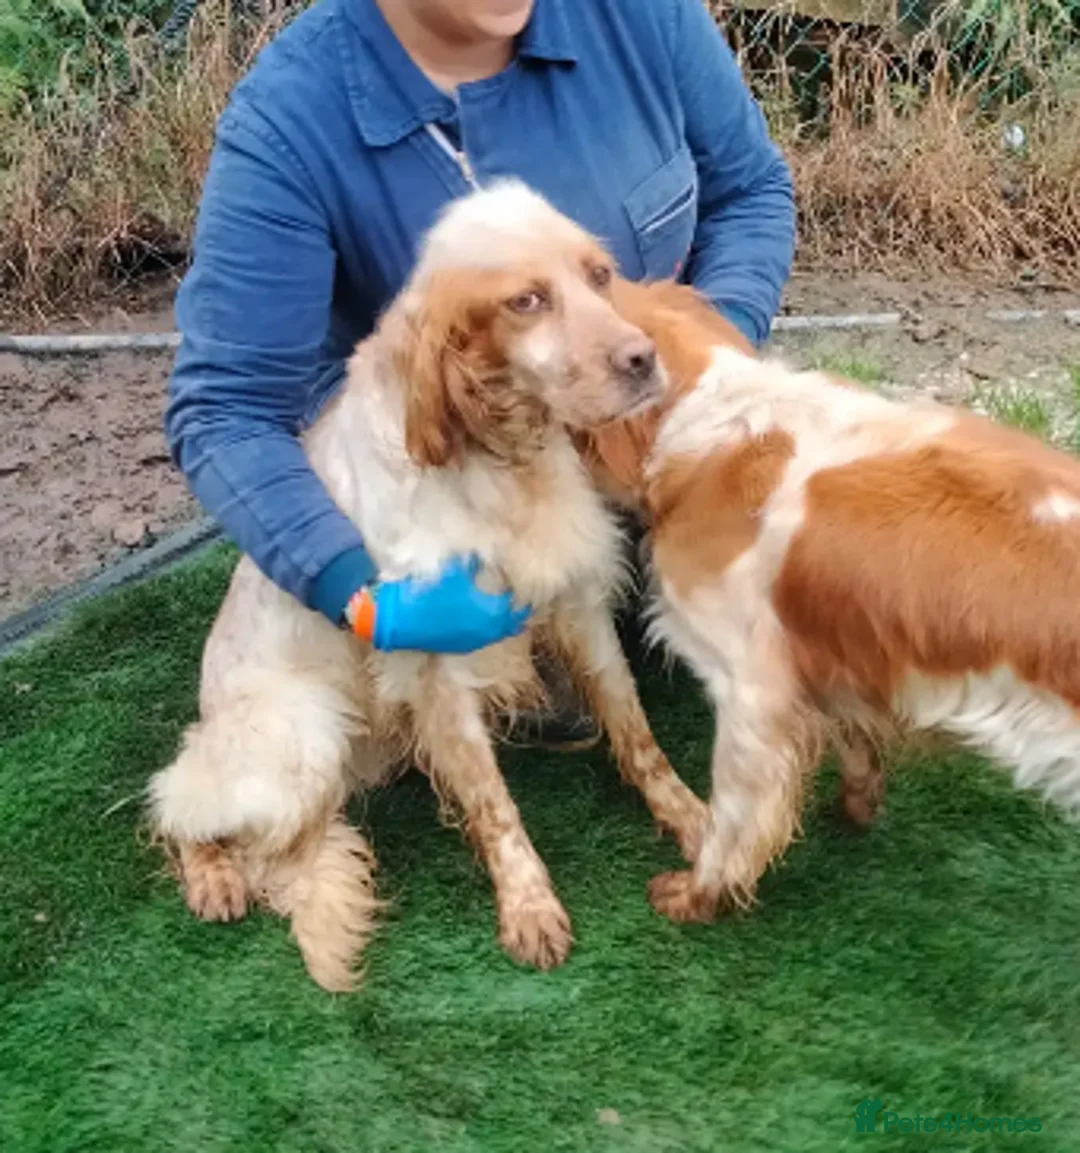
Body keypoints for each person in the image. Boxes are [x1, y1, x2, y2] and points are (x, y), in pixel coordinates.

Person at [165, 0, 796, 742]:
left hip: (649, 420)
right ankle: (535, 628)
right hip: (463, 474)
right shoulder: (289, 124)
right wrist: (361, 594)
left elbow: (752, 191)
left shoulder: (642, 15)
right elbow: (225, 410)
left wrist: (703, 360)